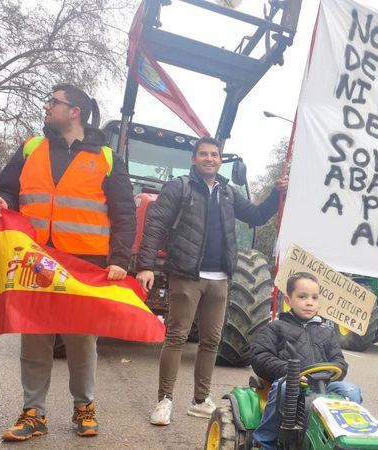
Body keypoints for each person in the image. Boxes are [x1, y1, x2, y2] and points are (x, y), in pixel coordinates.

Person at [0, 83, 136, 441]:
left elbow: (124, 213)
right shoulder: (31, 148)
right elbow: (6, 187)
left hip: (84, 265)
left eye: (53, 102)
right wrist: (1, 201)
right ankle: (33, 413)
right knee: (35, 338)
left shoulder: (106, 157)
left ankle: (83, 408)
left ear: (74, 111)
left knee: (81, 341)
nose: (46, 106)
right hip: (35, 260)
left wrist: (118, 259)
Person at [138, 136, 288, 425]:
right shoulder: (180, 187)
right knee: (176, 337)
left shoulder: (227, 192)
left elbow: (256, 216)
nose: (210, 158)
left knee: (211, 341)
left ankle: (199, 400)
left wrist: (274, 193)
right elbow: (155, 224)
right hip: (187, 275)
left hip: (220, 278)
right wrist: (145, 265)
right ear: (194, 159)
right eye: (204, 154)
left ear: (220, 161)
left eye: (215, 155)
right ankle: (164, 400)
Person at [249, 272, 361, 450]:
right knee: (285, 388)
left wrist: (334, 371)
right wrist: (290, 371)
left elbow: (339, 361)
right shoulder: (276, 328)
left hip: (323, 385)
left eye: (314, 298)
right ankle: (264, 442)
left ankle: (346, 441)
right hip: (291, 381)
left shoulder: (326, 332)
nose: (309, 302)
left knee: (351, 390)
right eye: (302, 297)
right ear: (288, 299)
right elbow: (260, 357)